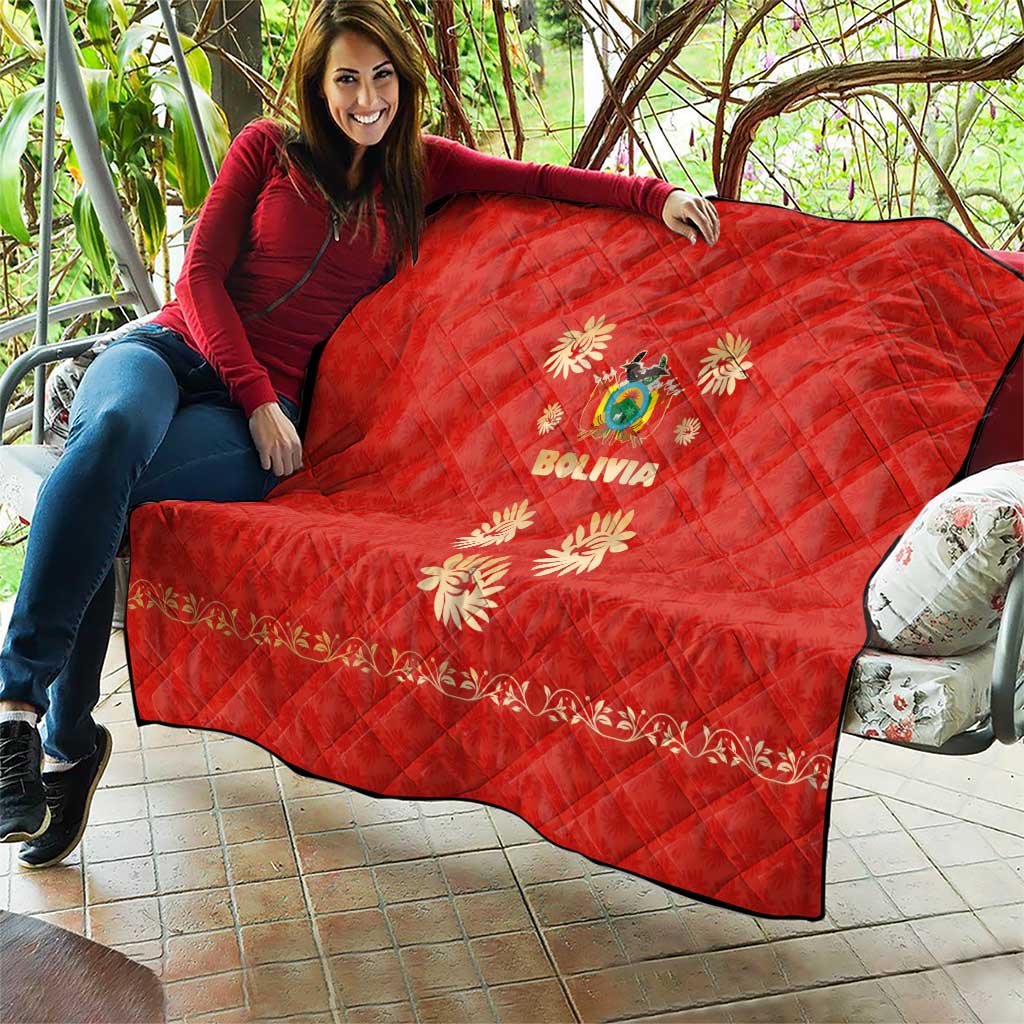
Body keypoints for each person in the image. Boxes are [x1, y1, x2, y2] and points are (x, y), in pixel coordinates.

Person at [0, 0, 719, 867]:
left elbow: (535, 180)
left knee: (106, 498)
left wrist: (655, 195)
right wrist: (258, 391)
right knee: (109, 432)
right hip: (171, 352)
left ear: (402, 85)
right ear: (318, 82)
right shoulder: (266, 148)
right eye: (347, 78)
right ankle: (20, 713)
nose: (366, 98)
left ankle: (68, 746)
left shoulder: (418, 172)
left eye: (381, 78)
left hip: (250, 423)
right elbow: (198, 275)